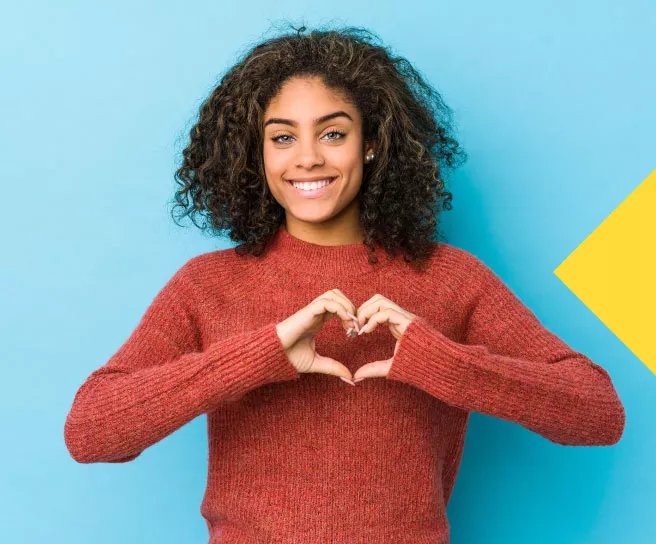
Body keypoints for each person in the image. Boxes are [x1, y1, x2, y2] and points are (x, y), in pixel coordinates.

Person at [63, 23, 625, 543]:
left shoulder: (451, 278)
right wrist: (262, 354)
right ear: (254, 154)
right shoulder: (208, 285)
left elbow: (597, 414)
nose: (307, 158)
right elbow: (91, 432)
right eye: (281, 138)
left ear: (372, 143)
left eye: (333, 133)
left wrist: (439, 361)